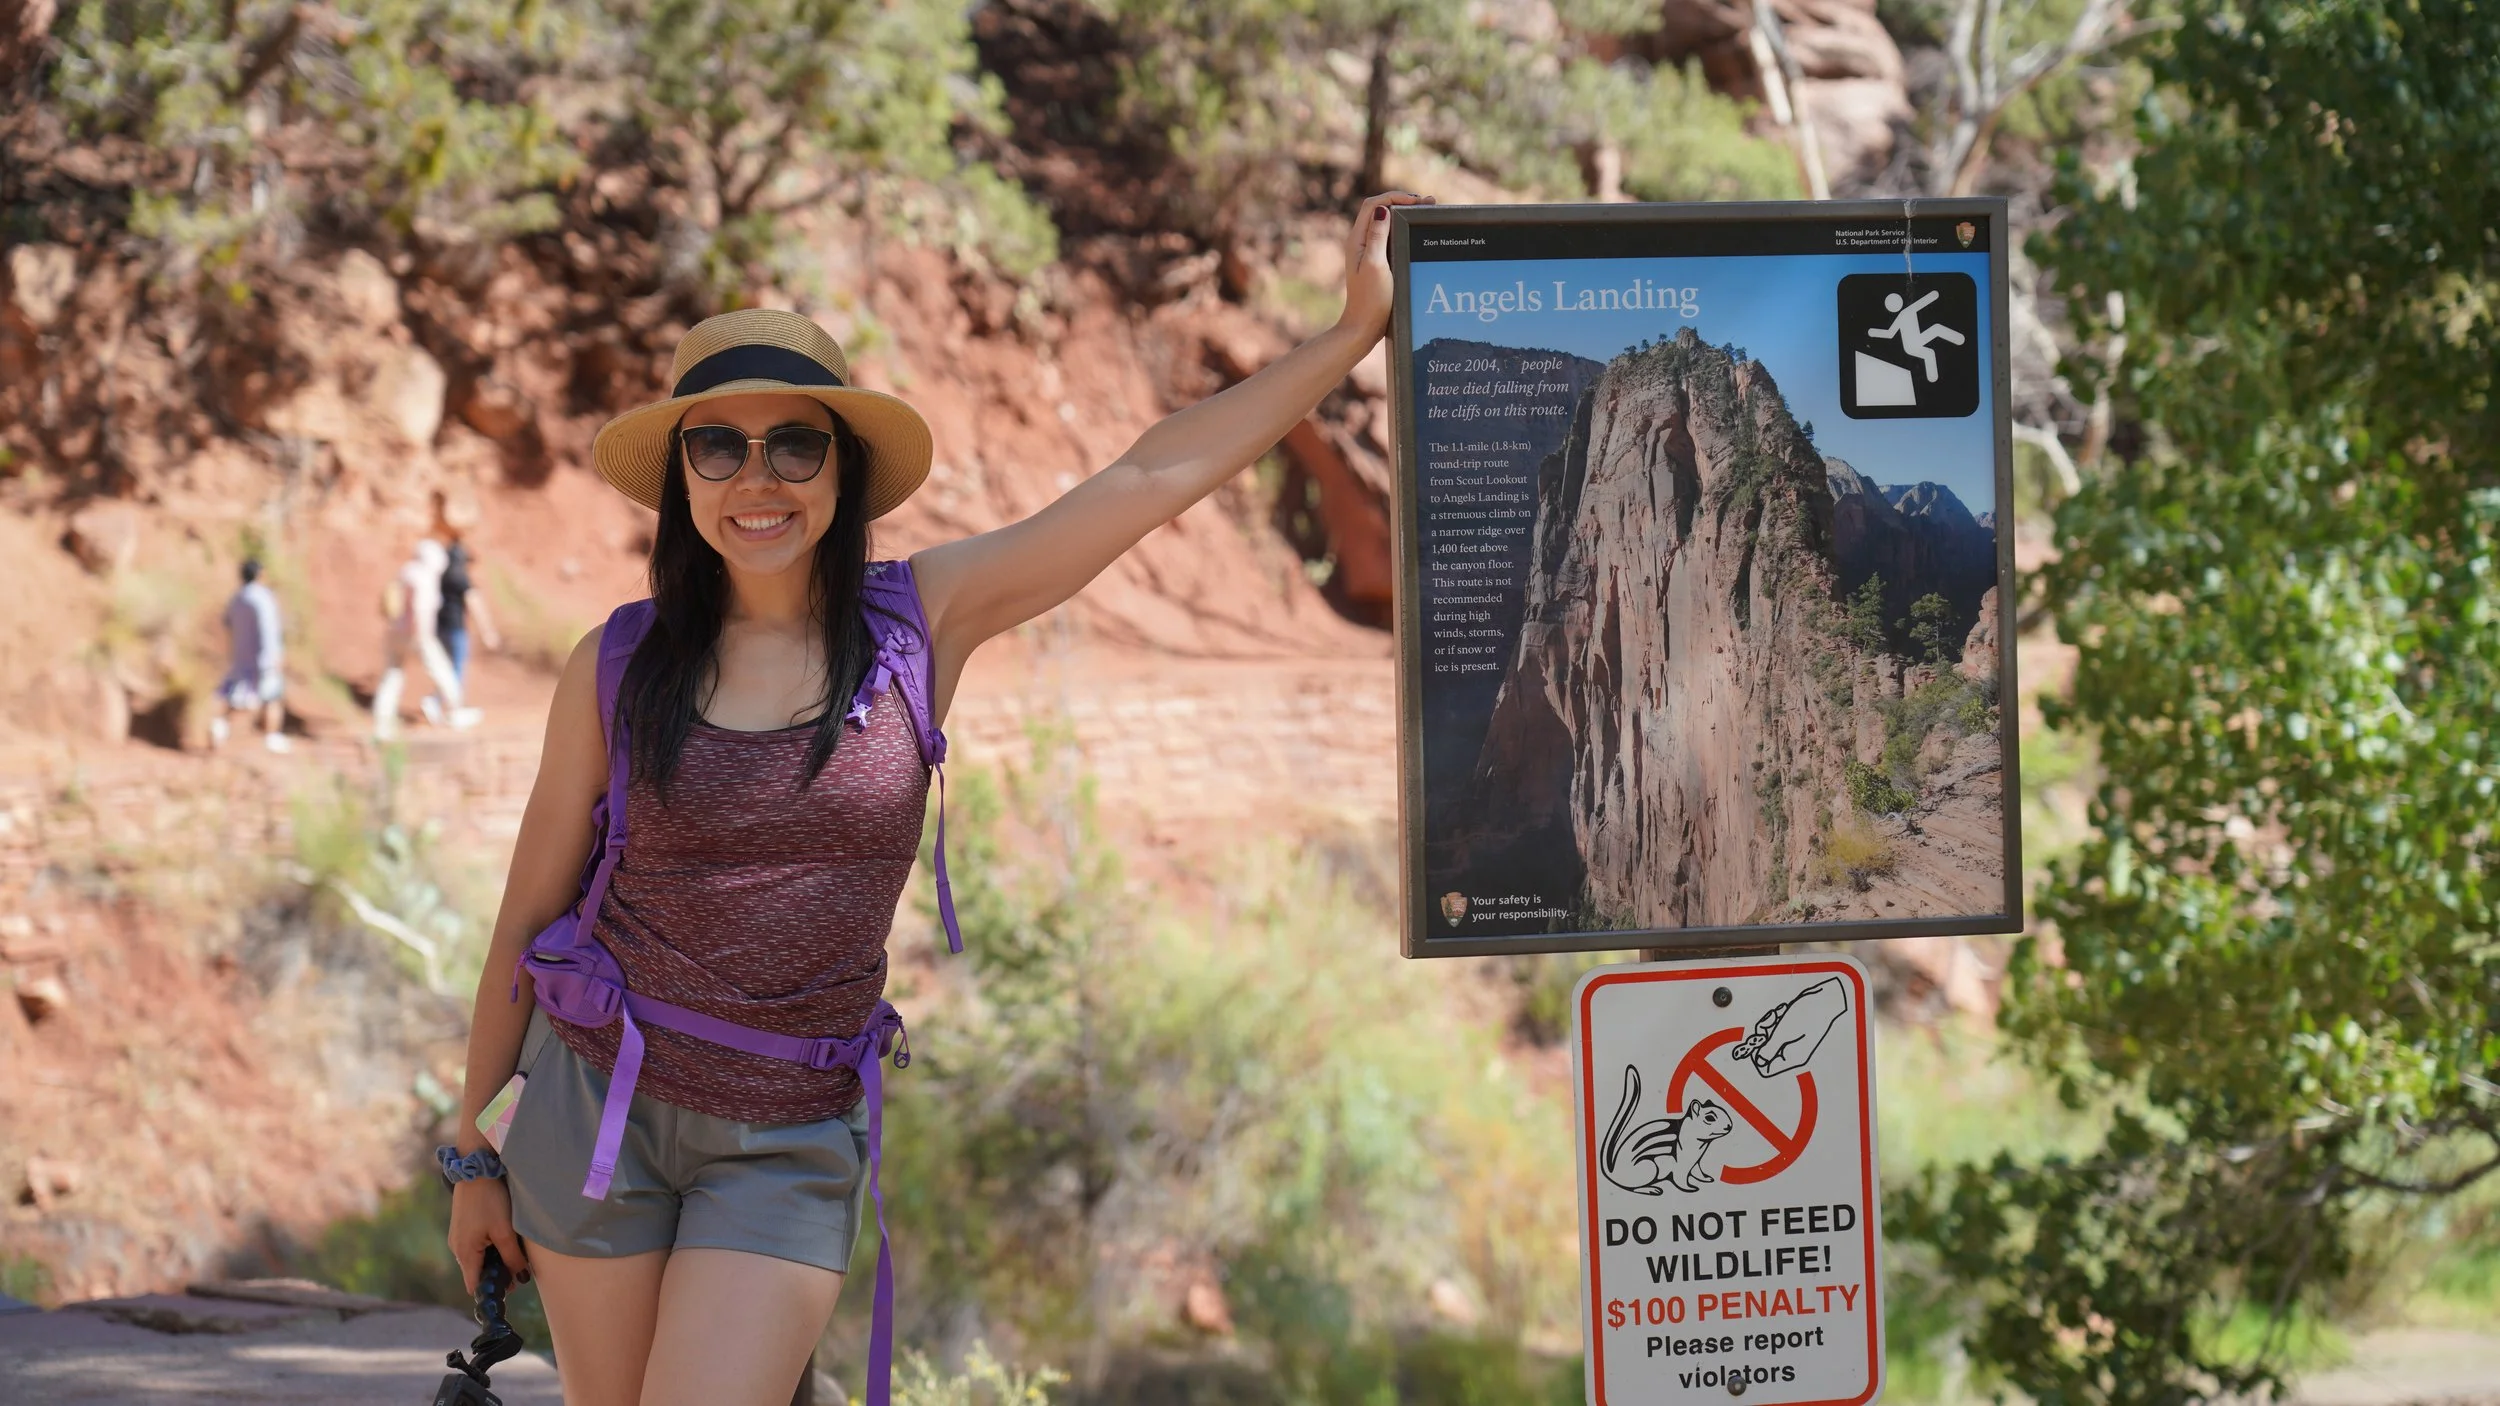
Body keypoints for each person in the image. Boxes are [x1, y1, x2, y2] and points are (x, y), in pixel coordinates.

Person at [441, 191, 1431, 1406]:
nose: (758, 478)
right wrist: (470, 1150)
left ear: (843, 469)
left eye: (795, 444)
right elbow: (526, 913)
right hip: (597, 1107)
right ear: (683, 479)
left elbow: (1145, 475)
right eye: (720, 448)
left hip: (785, 1139)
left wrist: (1347, 335)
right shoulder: (614, 662)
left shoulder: (920, 621)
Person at [372, 535, 475, 738]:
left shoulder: (405, 572)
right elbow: (420, 608)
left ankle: (382, 723)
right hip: (417, 634)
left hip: (394, 633)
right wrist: (422, 634)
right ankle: (455, 710)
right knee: (442, 671)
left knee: (392, 676)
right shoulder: (424, 577)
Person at [210, 559, 289, 753]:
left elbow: (227, 622)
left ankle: (220, 725)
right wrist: (274, 655)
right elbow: (268, 628)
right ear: (260, 574)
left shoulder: (237, 599)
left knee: (238, 696)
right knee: (272, 698)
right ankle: (272, 737)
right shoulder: (263, 598)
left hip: (241, 657)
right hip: (263, 658)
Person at [433, 491, 503, 691]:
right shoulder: (458, 574)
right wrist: (488, 631)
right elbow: (473, 599)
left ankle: (438, 703)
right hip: (454, 626)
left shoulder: (443, 569)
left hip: (440, 625)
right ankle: (442, 703)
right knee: (455, 669)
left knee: (445, 669)